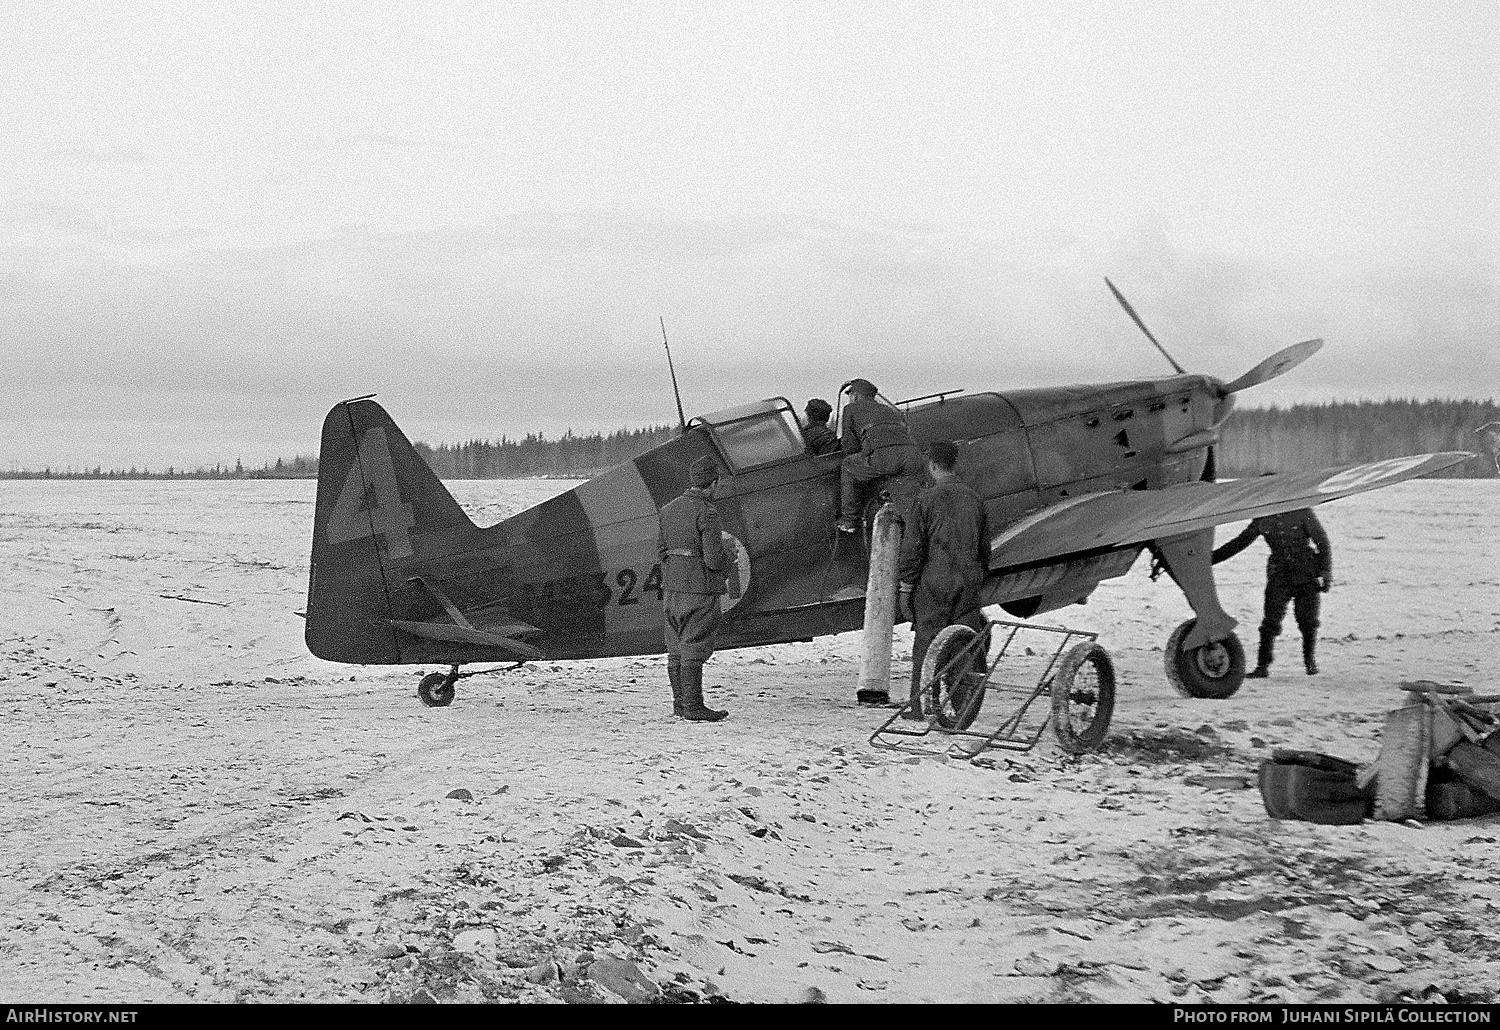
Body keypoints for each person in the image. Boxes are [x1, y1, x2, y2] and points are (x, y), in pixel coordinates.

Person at [897, 440, 991, 719]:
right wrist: (976, 577)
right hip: (968, 580)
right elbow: (985, 550)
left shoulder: (925, 499)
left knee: (927, 643)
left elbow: (912, 549)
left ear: (933, 465)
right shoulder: (975, 499)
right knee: (963, 644)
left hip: (934, 581)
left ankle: (919, 707)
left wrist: (906, 586)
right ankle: (962, 708)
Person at [1212, 502, 1333, 677]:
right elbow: (1240, 542)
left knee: (1308, 621)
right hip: (1280, 574)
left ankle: (1310, 662)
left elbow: (1322, 541)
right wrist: (1210, 559)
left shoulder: (1301, 510)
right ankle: (1262, 667)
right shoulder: (1263, 516)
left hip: (1306, 572)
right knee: (1270, 621)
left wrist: (1326, 571)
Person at [657, 455, 735, 721]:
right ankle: (694, 707)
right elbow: (713, 559)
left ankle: (680, 704)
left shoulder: (667, 509)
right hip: (700, 590)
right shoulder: (708, 512)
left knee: (676, 648)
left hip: (672, 589)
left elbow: (661, 550)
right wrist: (728, 560)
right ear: (713, 483)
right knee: (695, 645)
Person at [836, 378, 928, 534]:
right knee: (913, 513)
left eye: (850, 394)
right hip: (913, 456)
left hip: (886, 458)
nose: (850, 398)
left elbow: (850, 446)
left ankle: (849, 520)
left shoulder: (850, 409)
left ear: (856, 395)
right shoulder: (889, 410)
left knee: (848, 464)